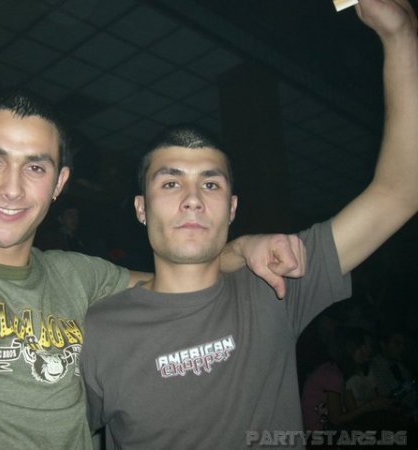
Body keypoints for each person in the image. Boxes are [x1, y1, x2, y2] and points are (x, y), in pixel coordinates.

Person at [0, 1, 305, 448]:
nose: (12, 188)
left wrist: (242, 247)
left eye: (36, 167)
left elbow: (177, 277)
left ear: (59, 184)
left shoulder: (77, 276)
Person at [80, 1, 418, 448]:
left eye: (211, 184)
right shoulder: (98, 329)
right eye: (171, 183)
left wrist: (401, 34)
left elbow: (401, 190)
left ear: (233, 208)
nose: (193, 199)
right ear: (141, 209)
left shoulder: (274, 283)